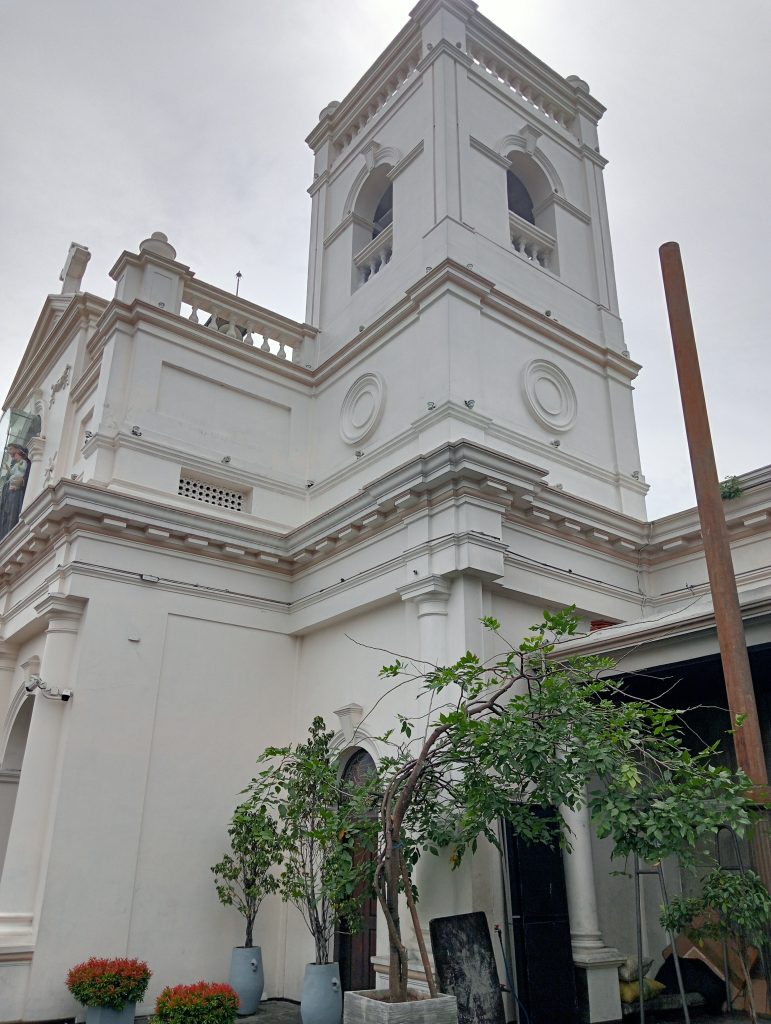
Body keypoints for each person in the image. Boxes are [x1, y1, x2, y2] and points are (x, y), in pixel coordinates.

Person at [0, 444, 30, 541]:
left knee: (13, 512)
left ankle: (10, 534)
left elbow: (25, 474)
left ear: (20, 453)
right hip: (9, 492)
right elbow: (12, 472)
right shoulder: (16, 465)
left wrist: (21, 481)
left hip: (16, 491)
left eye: (14, 455)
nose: (13, 458)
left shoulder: (25, 463)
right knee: (7, 514)